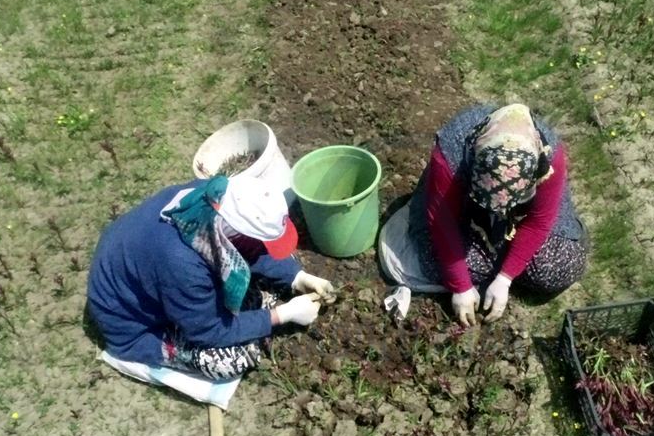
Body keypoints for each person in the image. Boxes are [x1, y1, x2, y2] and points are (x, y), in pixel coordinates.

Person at [87, 174, 335, 380]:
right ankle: (160, 343)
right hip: (133, 325)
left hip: (156, 277)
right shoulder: (181, 263)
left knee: (263, 279)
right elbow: (209, 331)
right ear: (235, 237)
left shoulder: (216, 197)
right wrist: (284, 315)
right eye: (256, 242)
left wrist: (297, 277)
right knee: (232, 361)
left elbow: (257, 249)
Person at [384, 103, 587, 325]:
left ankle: (502, 260)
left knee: (556, 270)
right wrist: (460, 285)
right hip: (462, 208)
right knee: (439, 263)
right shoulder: (452, 152)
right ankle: (497, 257)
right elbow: (443, 221)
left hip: (521, 215)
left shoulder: (548, 159)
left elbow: (539, 221)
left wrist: (505, 279)